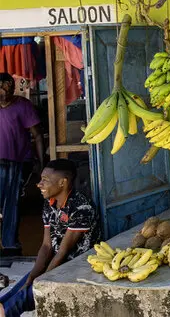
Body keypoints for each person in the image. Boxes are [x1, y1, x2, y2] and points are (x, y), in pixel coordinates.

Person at [25, 159, 100, 287]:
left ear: (62, 182)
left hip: (74, 270)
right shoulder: (49, 203)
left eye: (45, 180)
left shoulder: (81, 208)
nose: (39, 184)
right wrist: (33, 276)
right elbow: (46, 246)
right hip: (54, 263)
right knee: (19, 289)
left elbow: (62, 252)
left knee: (21, 299)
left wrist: (42, 281)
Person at [0, 72, 44, 256]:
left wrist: (42, 164)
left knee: (12, 203)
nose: (3, 91)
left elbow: (37, 135)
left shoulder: (22, 106)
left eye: (5, 86)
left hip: (17, 162)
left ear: (11, 86)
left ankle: (10, 244)